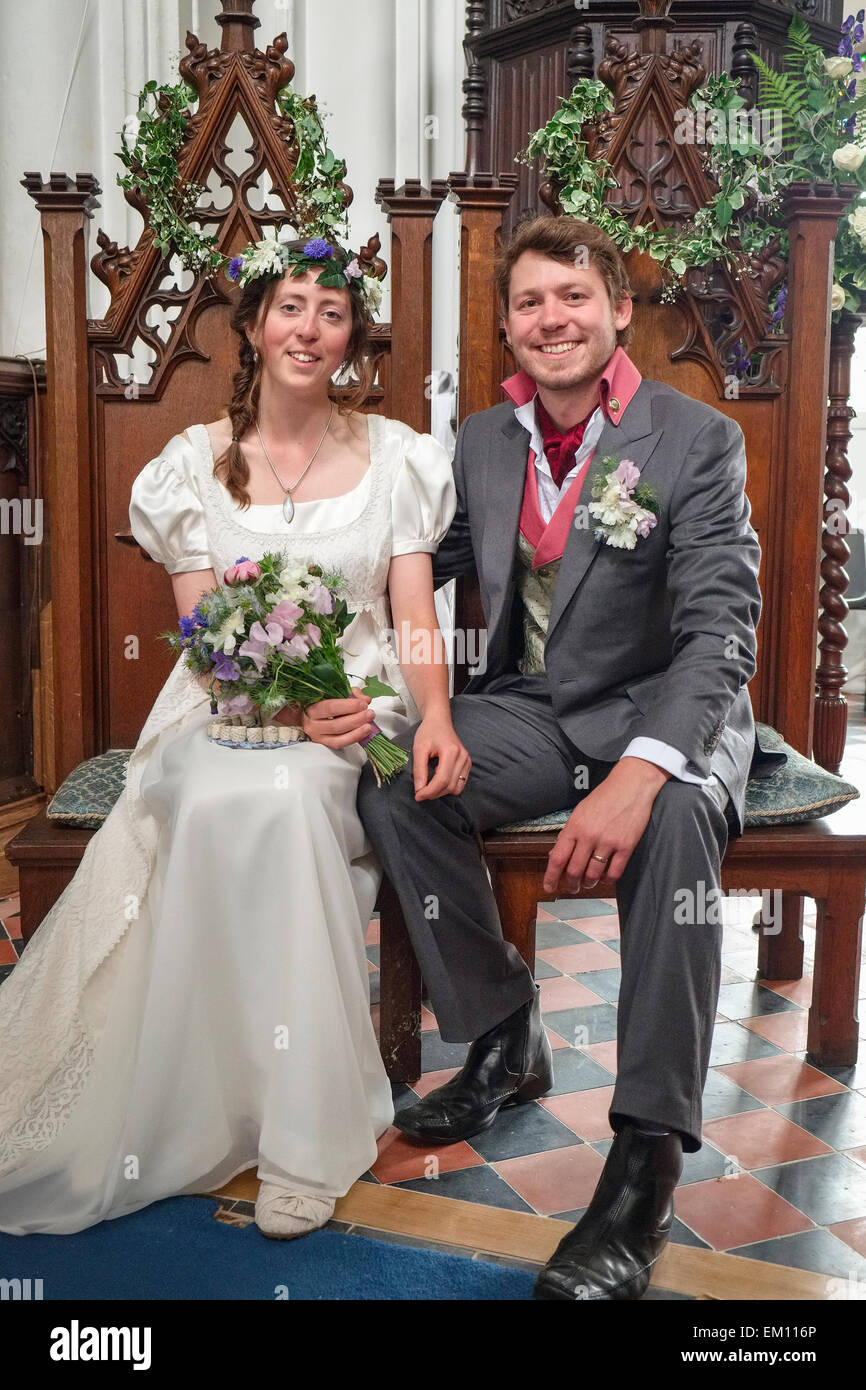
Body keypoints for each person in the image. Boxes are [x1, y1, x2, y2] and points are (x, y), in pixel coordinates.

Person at [0, 232, 464, 1239]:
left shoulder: (399, 458)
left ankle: (305, 1133)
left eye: (331, 312)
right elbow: (209, 633)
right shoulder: (190, 467)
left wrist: (430, 715)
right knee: (216, 796)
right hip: (224, 704)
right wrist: (282, 707)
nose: (309, 328)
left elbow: (415, 613)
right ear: (253, 327)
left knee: (294, 800)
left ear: (351, 338)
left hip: (360, 700)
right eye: (289, 306)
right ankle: (207, 1099)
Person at [357, 215, 762, 1300]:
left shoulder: (695, 438)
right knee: (398, 779)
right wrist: (289, 575)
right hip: (536, 708)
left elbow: (722, 629)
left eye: (573, 298)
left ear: (618, 311)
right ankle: (500, 1036)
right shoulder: (483, 443)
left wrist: (640, 772)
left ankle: (642, 1161)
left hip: (672, 707)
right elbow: (407, 562)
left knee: (675, 821)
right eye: (530, 303)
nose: (553, 319)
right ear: (507, 328)